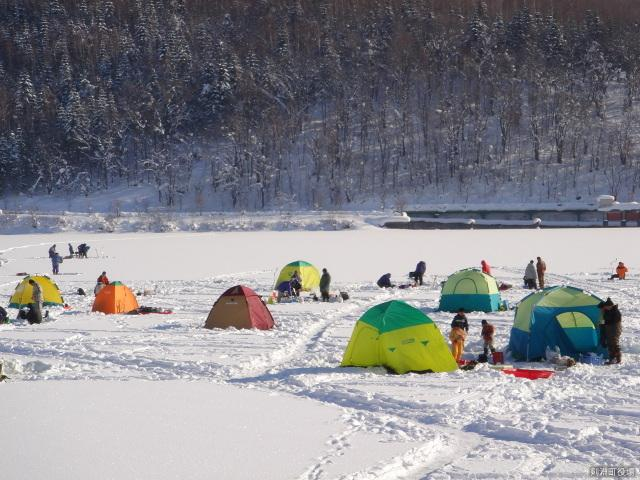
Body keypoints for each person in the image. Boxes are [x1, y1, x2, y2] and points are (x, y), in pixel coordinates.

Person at [598, 298, 622, 364]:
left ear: (610, 306)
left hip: (615, 329)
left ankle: (617, 358)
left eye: (606, 307)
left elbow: (610, 320)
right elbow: (604, 323)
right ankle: (612, 358)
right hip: (609, 329)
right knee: (610, 344)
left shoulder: (615, 311)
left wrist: (604, 313)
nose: (605, 308)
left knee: (613, 343)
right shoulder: (607, 311)